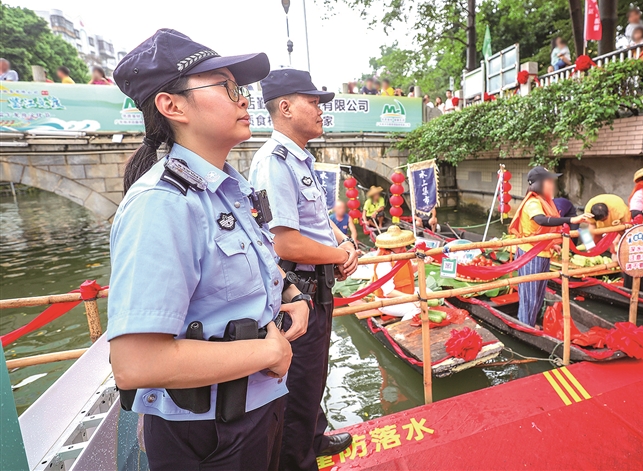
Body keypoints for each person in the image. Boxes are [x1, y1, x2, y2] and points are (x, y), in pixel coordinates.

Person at [108, 29, 309, 470]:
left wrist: (292, 297)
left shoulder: (225, 189)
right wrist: (268, 352)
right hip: (209, 433)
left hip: (257, 407)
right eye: (228, 87)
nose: (244, 100)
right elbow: (135, 363)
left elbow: (249, 270)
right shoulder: (161, 204)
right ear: (172, 105)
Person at [248, 68, 359, 470]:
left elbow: (317, 220)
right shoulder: (274, 162)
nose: (320, 110)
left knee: (313, 374)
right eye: (312, 102)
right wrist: (337, 256)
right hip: (297, 289)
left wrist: (343, 244)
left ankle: (314, 436)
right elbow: (285, 242)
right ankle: (298, 459)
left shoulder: (299, 159)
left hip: (317, 283)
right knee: (297, 383)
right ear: (284, 107)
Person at [508, 167, 592, 326]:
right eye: (549, 181)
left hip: (542, 253)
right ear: (539, 183)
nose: (552, 184)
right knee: (529, 296)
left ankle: (529, 323)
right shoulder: (533, 202)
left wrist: (552, 244)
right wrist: (570, 220)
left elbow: (545, 229)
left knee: (538, 295)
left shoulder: (546, 202)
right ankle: (526, 326)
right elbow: (541, 220)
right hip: (530, 254)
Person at [371, 225, 421, 321]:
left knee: (429, 293)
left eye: (403, 245)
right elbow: (389, 292)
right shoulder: (384, 263)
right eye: (399, 246)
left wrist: (422, 263)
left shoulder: (401, 254)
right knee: (417, 308)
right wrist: (412, 298)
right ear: (390, 247)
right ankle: (403, 331)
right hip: (388, 301)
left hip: (404, 293)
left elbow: (411, 270)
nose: (403, 248)